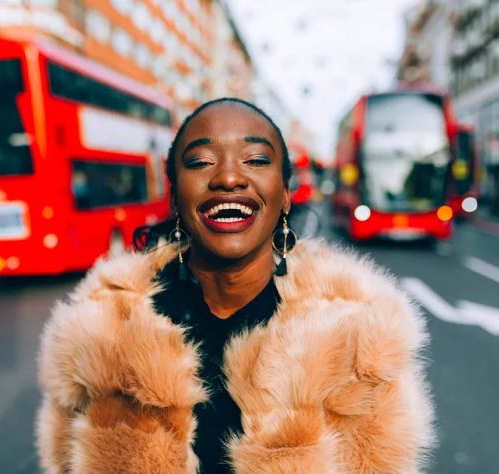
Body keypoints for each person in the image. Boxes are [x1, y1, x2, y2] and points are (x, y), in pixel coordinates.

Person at [35, 98, 435, 473]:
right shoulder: (98, 331)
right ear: (175, 196)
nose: (228, 177)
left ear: (285, 197)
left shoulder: (360, 336)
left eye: (256, 159)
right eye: (201, 161)